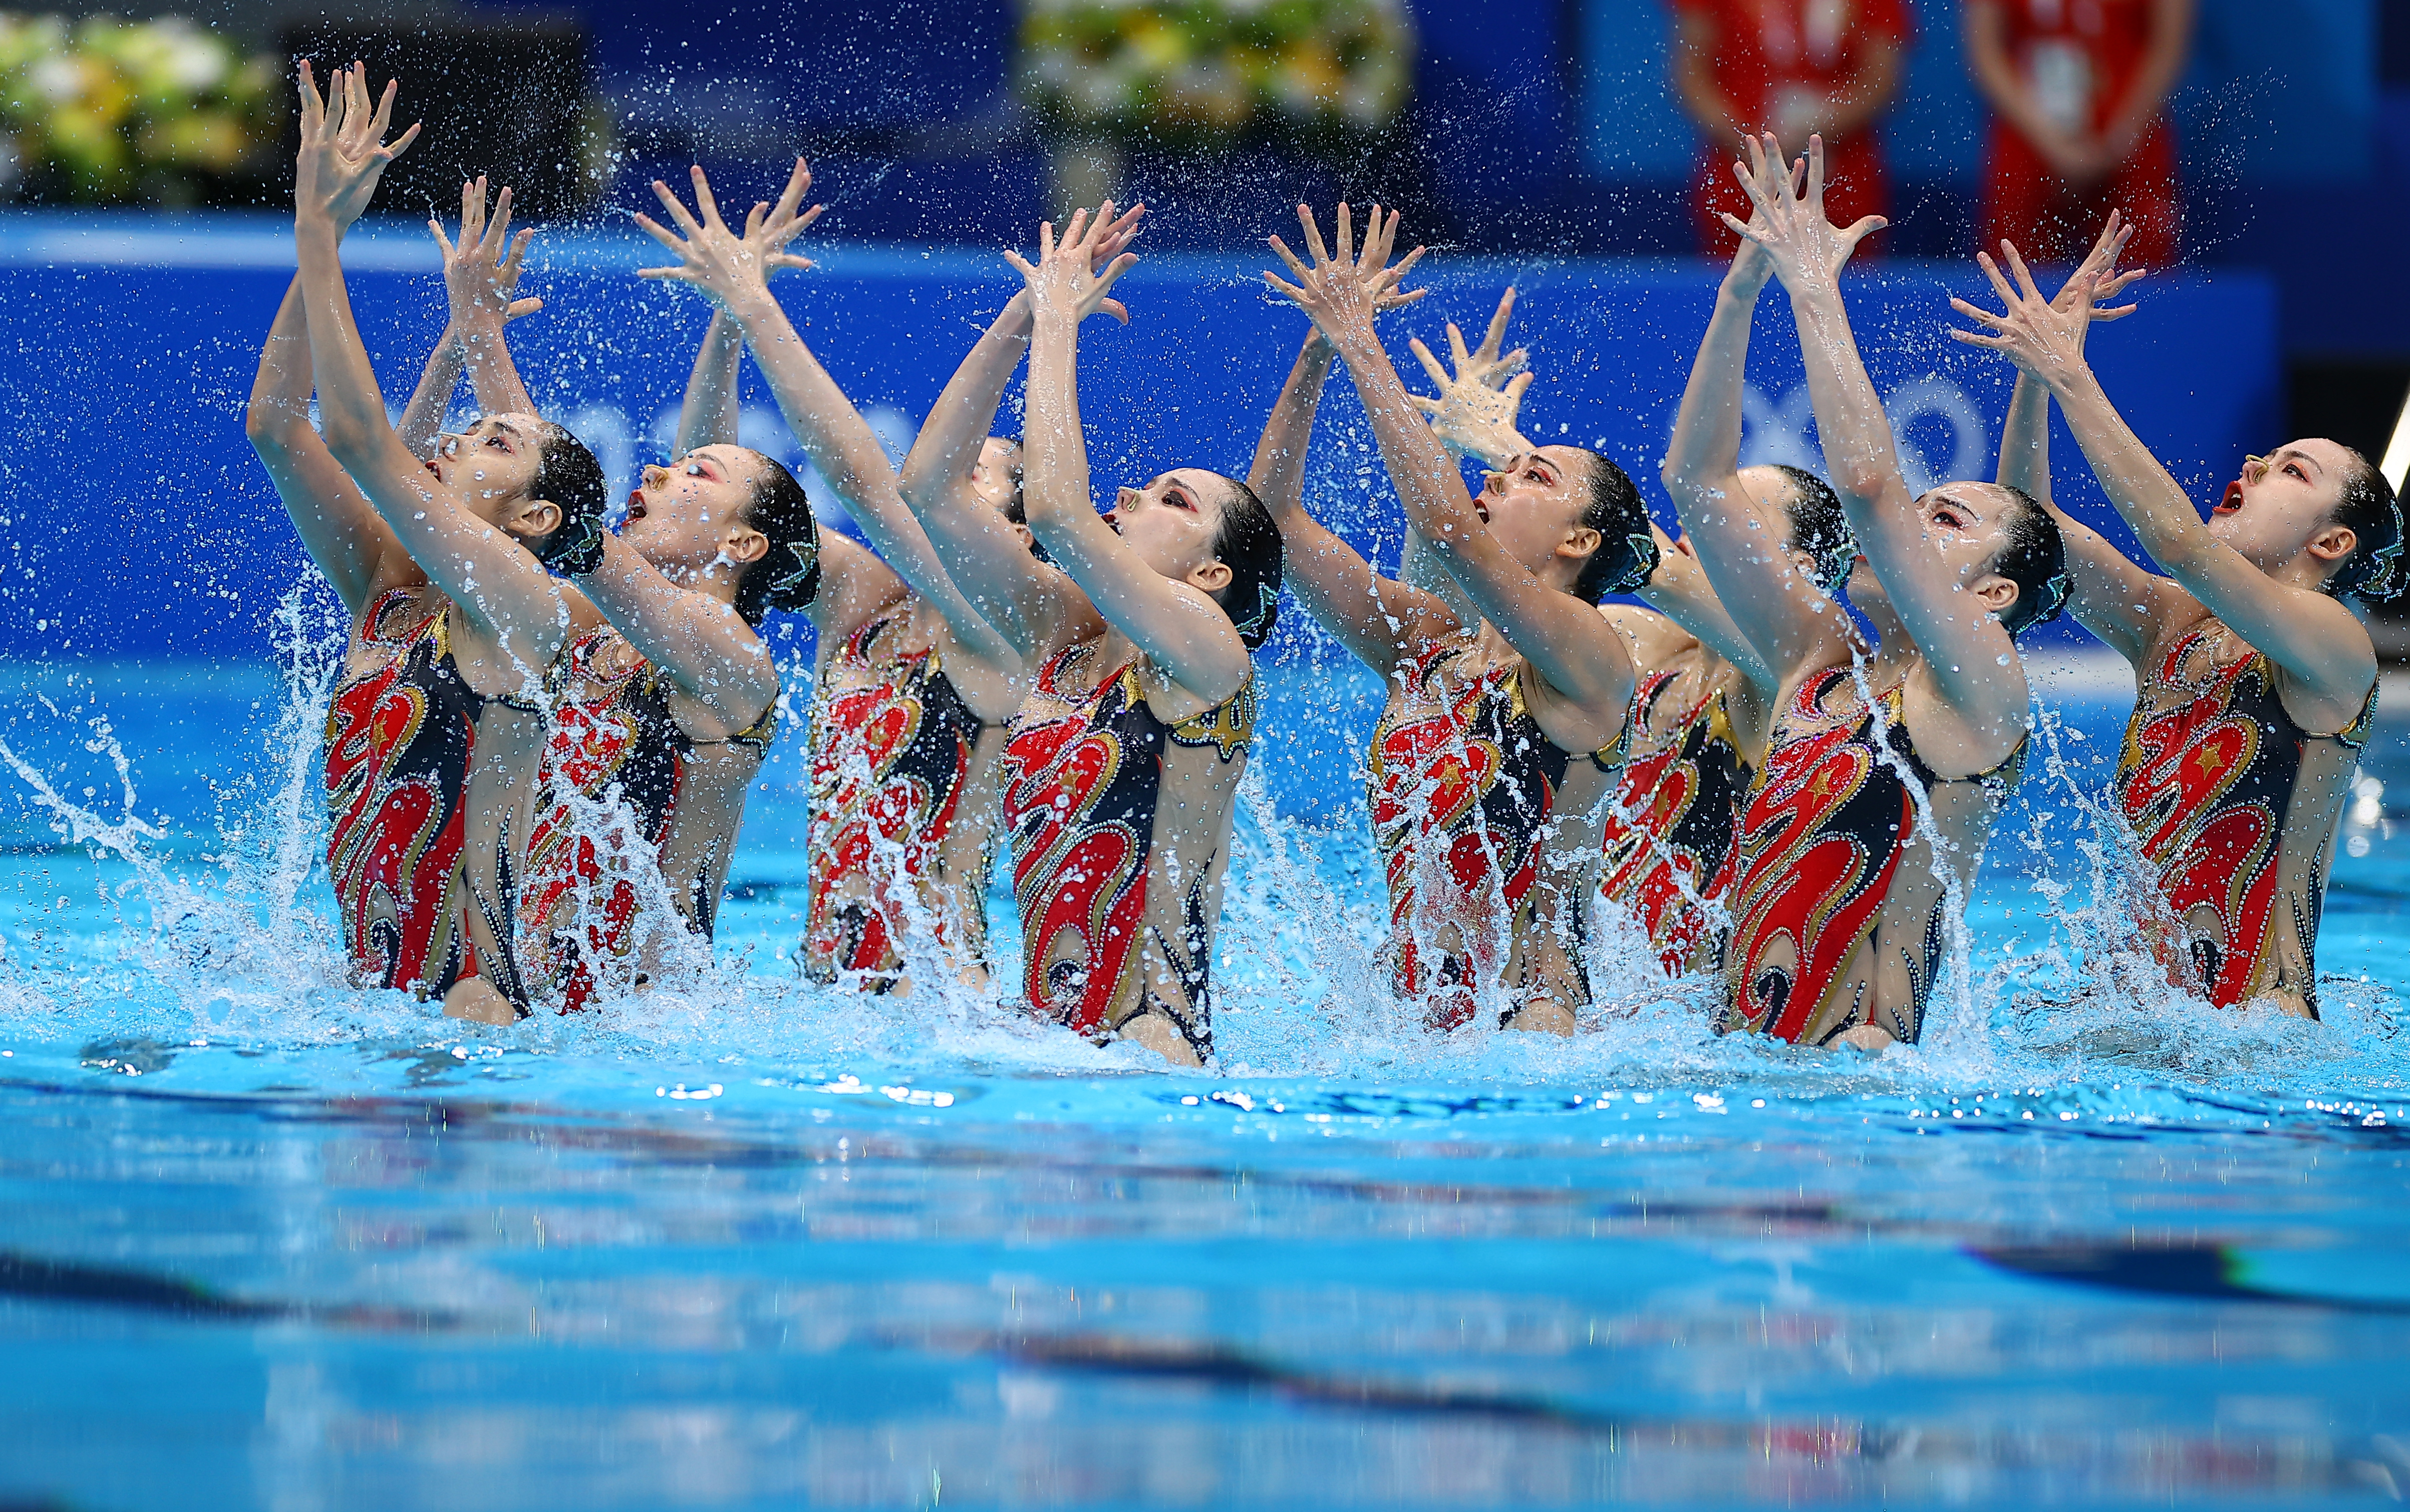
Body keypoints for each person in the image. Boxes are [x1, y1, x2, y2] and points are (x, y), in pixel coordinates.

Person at [634, 165, 1140, 997]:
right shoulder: (862, 604)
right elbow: (713, 511)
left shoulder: (1006, 630)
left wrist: (757, 309)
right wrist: (728, 320)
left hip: (937, 1007)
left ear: (1014, 534)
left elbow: (869, 484)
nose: (945, 485)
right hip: (830, 1000)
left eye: (976, 478)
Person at [1953, 227, 2401, 1019]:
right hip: (2129, 1021)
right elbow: (2034, 535)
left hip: (2259, 1049)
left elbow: (2180, 546)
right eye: (2264, 458)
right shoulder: (2173, 626)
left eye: (2292, 471)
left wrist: (2073, 372)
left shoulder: (2335, 649)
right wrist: (2037, 378)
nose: (2256, 467)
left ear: (2332, 544)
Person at [1705, 133, 2073, 1050]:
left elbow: (1867, 489)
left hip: (1860, 1102)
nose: (1905, 525)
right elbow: (1697, 489)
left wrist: (1813, 289)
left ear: (1991, 593)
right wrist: (1736, 292)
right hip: (1741, 1077)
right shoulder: (1821, 662)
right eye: (1921, 508)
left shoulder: (1981, 695)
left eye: (1942, 520)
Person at [896, 207, 1279, 1065]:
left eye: (1174, 501)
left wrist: (1063, 320)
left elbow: (1059, 513)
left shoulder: (1206, 654)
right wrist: (1022, 314)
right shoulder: (1061, 639)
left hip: (1152, 1043)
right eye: (1140, 490)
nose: (1136, 500)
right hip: (1053, 1045)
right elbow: (928, 488)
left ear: (1212, 572)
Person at [1265, 206, 1656, 1034]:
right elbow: (1275, 524)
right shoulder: (1428, 648)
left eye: (1533, 476)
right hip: (1411, 1030)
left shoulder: (1589, 655)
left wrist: (1363, 338)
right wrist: (1319, 348)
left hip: (1535, 1033)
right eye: (1495, 471)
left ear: (1579, 540)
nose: (1499, 482)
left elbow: (1448, 529)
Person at [288, 63, 611, 1024]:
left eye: (492, 439)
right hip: (378, 1002)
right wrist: (460, 331)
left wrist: (319, 234)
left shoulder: (520, 607)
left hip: (477, 1010)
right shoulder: (391, 597)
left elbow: (357, 438)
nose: (455, 438)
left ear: (534, 521)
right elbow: (278, 426)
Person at [512, 163, 827, 1012]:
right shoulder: (613, 621)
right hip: (546, 1007)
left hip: (644, 1027)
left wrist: (523, 485)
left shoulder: (734, 656)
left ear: (744, 543)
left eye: (693, 473)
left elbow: (567, 529)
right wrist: (726, 319)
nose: (652, 468)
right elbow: (548, 512)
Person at [1406, 289, 1780, 978]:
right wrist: (1461, 460)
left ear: (1801, 572)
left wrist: (1508, 448)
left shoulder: (1789, 683)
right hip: (1605, 991)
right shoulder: (1626, 642)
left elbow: (1644, 563)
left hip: (1703, 1019)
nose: (1705, 530)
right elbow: (1439, 632)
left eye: (1741, 520)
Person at [1668, 0, 1911, 258]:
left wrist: (1819, 130)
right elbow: (1692, 74)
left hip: (1841, 184)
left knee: (1842, 293)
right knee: (1740, 290)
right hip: (1740, 183)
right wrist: (1747, 141)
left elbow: (1880, 80)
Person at [1965, 0, 2193, 268]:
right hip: (2029, 135)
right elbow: (1986, 50)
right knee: (2014, 278)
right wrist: (2051, 144)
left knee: (2140, 278)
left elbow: (2169, 43)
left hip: (2131, 131)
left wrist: (2121, 138)